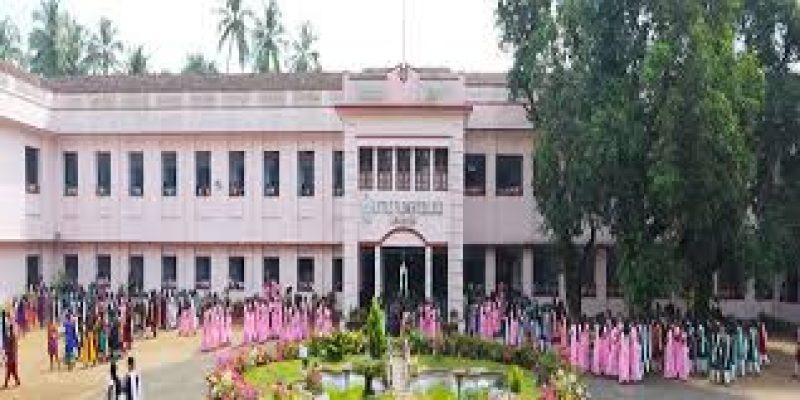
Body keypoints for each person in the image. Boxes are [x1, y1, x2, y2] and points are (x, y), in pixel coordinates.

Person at [3, 324, 20, 388]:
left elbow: (12, 348)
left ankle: (6, 383)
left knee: (10, 370)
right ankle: (17, 381)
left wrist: (7, 352)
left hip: (11, 356)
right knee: (12, 370)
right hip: (12, 356)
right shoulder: (12, 336)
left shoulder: (12, 337)